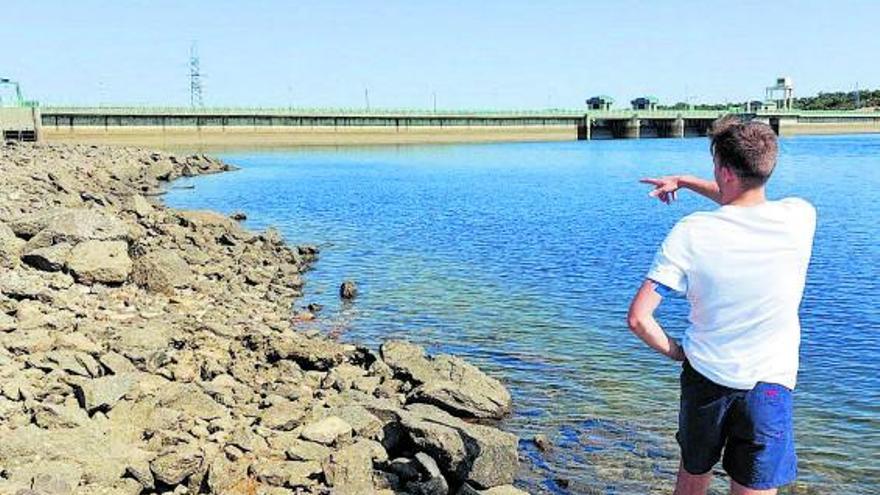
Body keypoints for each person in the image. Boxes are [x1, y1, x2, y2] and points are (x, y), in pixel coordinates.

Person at [628, 116, 816, 495]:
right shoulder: (800, 216)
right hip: (770, 387)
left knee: (692, 480)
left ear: (724, 171)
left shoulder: (691, 233)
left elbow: (639, 318)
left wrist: (676, 352)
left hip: (705, 381)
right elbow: (740, 198)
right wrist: (685, 181)